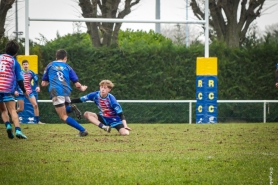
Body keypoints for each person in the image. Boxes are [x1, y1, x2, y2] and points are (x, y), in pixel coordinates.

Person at [41, 49, 88, 136]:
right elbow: (77, 84)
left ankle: (83, 130)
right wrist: (83, 88)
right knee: (65, 112)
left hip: (56, 91)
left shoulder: (50, 65)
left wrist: (49, 81)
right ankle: (71, 108)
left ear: (56, 57)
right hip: (66, 91)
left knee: (63, 117)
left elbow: (43, 83)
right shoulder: (68, 67)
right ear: (65, 58)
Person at [0, 40, 28, 139]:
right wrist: (24, 91)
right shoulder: (15, 62)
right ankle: (18, 131)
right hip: (7, 89)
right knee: (12, 110)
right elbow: (20, 79)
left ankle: (7, 125)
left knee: (3, 110)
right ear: (16, 52)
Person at [14, 60, 43, 124]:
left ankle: (38, 121)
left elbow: (37, 80)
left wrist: (38, 86)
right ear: (22, 66)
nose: (25, 66)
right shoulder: (19, 73)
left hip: (29, 91)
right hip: (20, 92)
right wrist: (15, 90)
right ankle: (13, 115)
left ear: (28, 65)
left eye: (26, 64)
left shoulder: (31, 73)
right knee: (21, 109)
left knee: (35, 105)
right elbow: (16, 82)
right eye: (24, 64)